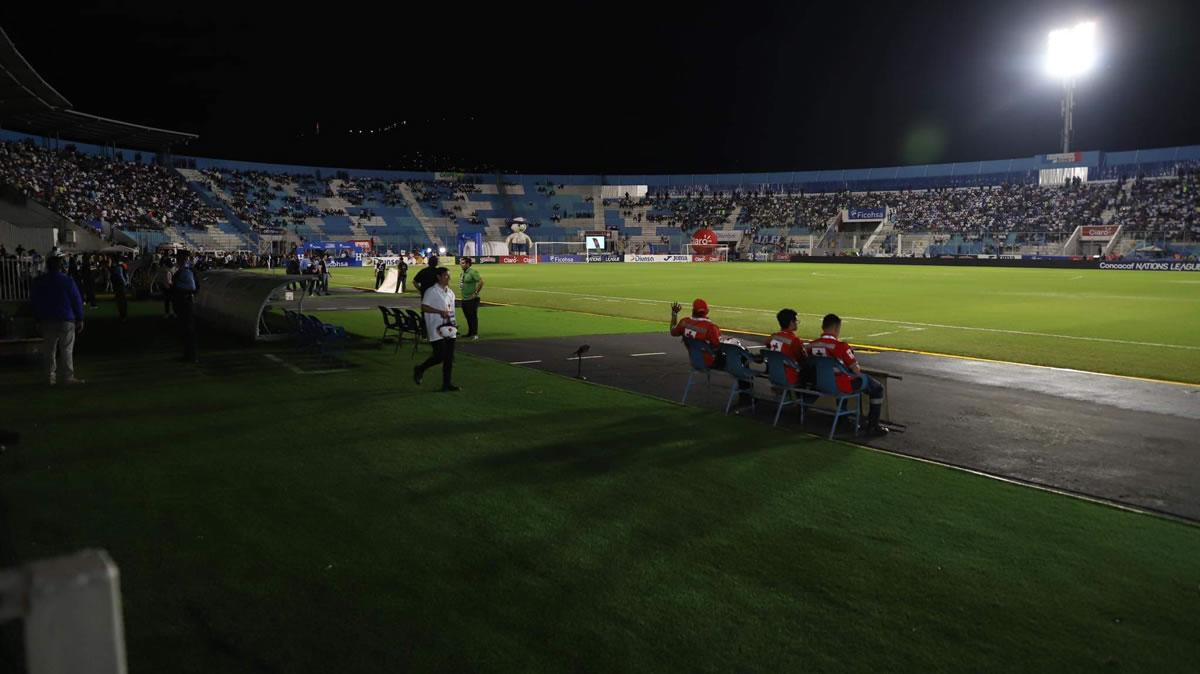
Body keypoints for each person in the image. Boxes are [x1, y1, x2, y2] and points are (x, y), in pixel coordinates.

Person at [804, 313, 888, 436]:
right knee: (877, 388)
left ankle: (842, 419)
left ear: (823, 327)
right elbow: (856, 370)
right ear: (836, 328)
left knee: (841, 379)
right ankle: (873, 425)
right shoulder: (841, 346)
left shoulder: (811, 345)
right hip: (838, 386)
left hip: (820, 383)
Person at [30, 254, 85, 385]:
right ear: (61, 267)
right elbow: (76, 300)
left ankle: (50, 377)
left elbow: (35, 301)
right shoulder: (67, 281)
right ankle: (68, 376)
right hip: (66, 318)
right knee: (66, 349)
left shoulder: (39, 281)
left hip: (47, 319)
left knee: (49, 350)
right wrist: (80, 318)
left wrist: (37, 318)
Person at [413, 267, 459, 392]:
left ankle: (446, 384)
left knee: (449, 358)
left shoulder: (450, 293)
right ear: (439, 277)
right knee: (440, 356)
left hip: (449, 329)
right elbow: (424, 307)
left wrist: (454, 324)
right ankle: (420, 368)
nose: (448, 278)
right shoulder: (431, 291)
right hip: (436, 329)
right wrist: (439, 312)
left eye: (449, 276)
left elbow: (452, 311)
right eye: (446, 276)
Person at [669, 298, 722, 367]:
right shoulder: (710, 327)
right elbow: (717, 344)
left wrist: (674, 314)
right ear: (707, 311)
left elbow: (673, 332)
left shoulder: (684, 322)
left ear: (693, 310)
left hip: (694, 360)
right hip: (709, 362)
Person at [765, 308, 806, 386]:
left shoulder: (772, 337)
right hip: (789, 377)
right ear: (791, 322)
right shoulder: (794, 340)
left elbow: (767, 344)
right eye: (796, 321)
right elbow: (802, 359)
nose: (797, 323)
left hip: (773, 374)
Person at [173, 252, 200, 363]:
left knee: (188, 330)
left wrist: (176, 286)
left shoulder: (185, 271)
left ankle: (191, 356)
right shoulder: (187, 270)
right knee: (187, 330)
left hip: (185, 302)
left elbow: (191, 287)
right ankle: (189, 355)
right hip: (186, 302)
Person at [459, 257, 484, 339]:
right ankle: (470, 332)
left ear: (468, 264)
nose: (461, 264)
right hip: (464, 298)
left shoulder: (472, 272)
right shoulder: (463, 273)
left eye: (463, 263)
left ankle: (475, 334)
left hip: (472, 299)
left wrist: (476, 293)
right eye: (461, 263)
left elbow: (481, 282)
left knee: (473, 316)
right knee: (467, 316)